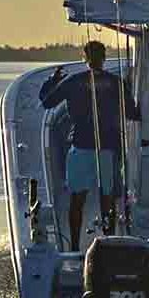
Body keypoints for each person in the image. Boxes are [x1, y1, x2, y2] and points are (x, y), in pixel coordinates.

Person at [54, 39, 124, 241]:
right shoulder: (115, 82)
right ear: (104, 58)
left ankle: (75, 245)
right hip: (107, 148)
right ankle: (109, 239)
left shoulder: (73, 81)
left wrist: (53, 80)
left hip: (81, 146)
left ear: (85, 57)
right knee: (107, 197)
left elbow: (47, 100)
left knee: (77, 199)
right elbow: (133, 111)